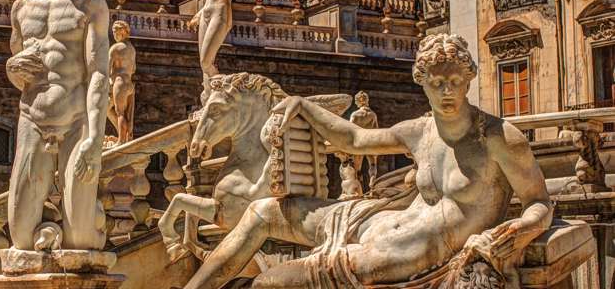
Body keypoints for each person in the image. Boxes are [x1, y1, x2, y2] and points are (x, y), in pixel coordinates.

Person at [182, 33, 552, 289]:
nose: (447, 90)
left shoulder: (499, 138)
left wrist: (516, 231)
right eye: (437, 82)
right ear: (421, 82)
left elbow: (539, 203)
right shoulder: (420, 131)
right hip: (377, 220)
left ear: (468, 80)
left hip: (405, 253)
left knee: (269, 283)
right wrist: (305, 106)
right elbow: (355, 140)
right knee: (262, 212)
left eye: (455, 81)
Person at [6, 0, 109, 251]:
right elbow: (17, 70)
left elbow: (98, 72)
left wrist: (95, 137)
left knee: (81, 239)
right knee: (20, 236)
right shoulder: (21, 8)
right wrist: (12, 66)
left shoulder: (91, 5)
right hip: (32, 118)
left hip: (76, 120)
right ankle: (49, 232)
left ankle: (88, 222)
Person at [188, 0, 236, 104]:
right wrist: (198, 14)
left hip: (220, 14)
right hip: (206, 14)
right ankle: (208, 95)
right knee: (203, 61)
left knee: (206, 61)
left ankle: (222, 90)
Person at [109, 20, 136, 144]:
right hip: (129, 83)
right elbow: (134, 68)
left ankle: (121, 140)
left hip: (119, 82)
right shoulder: (132, 49)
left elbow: (107, 69)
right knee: (127, 115)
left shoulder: (115, 48)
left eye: (115, 31)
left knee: (119, 113)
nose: (114, 34)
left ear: (123, 32)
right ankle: (125, 136)